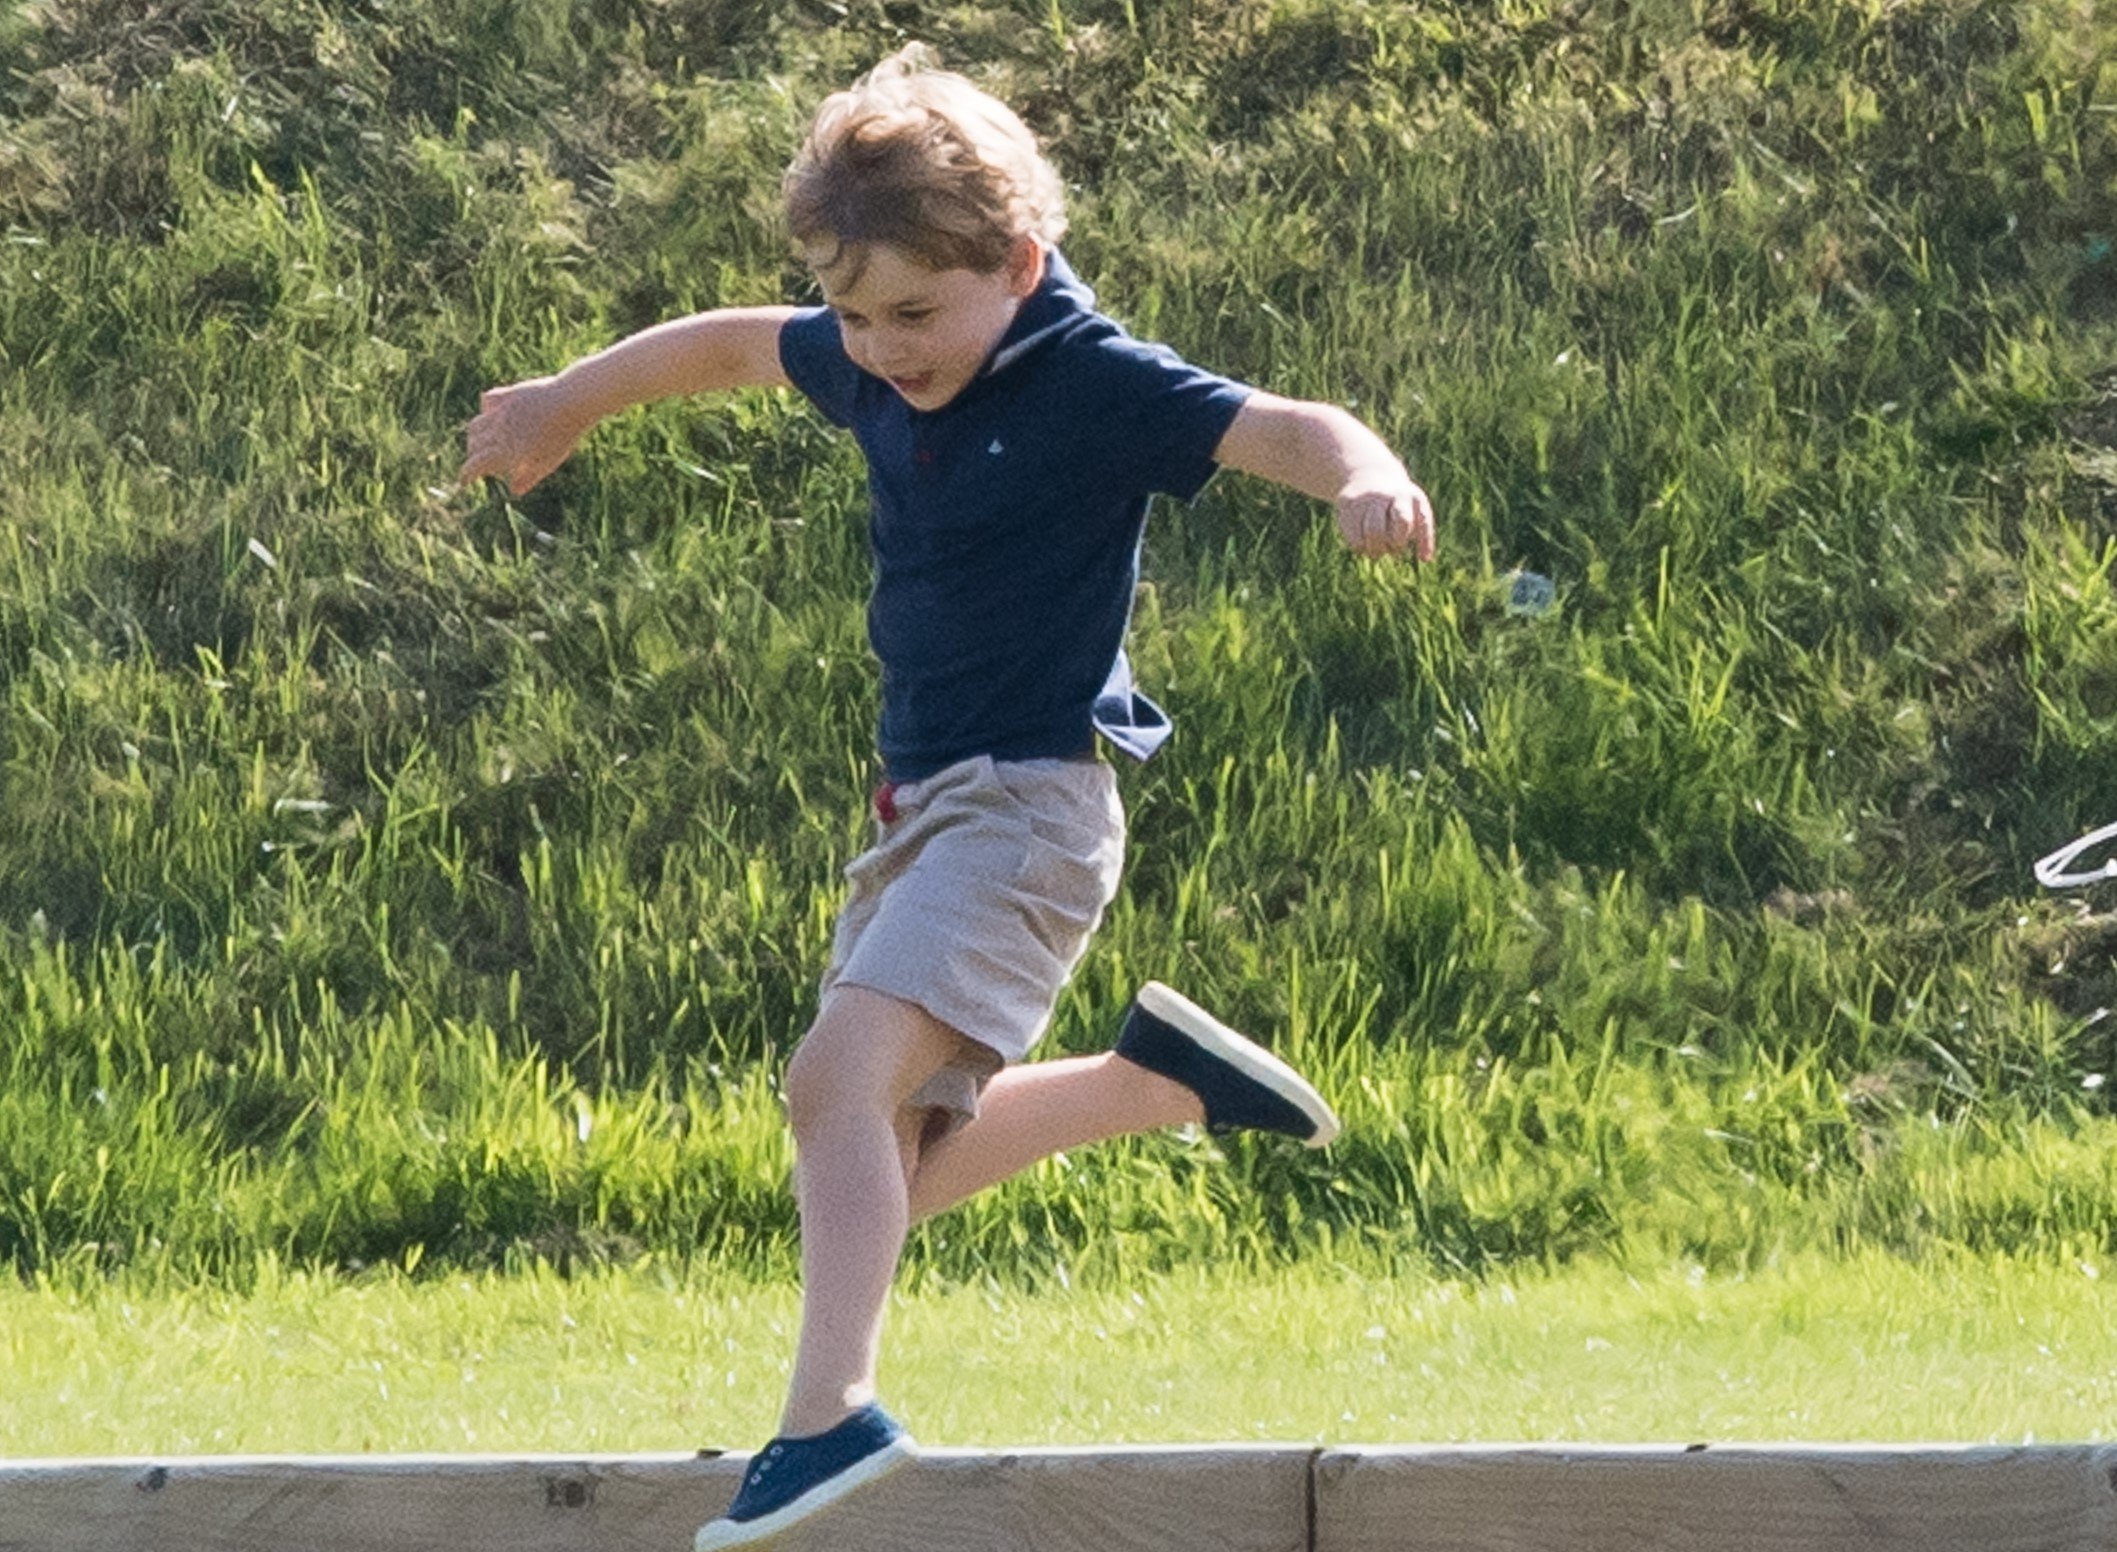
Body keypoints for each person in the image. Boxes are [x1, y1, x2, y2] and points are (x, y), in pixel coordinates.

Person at [457, 44, 1433, 1550]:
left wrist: (1364, 474)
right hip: (924, 812)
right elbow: (726, 344)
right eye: (854, 313)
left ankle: (827, 1418)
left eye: (914, 313)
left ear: (1017, 262)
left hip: (1033, 807)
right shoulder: (865, 351)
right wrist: (566, 406)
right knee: (884, 1169)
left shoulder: (1088, 378)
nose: (881, 347)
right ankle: (1150, 1086)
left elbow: (1283, 426)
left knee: (827, 1086)